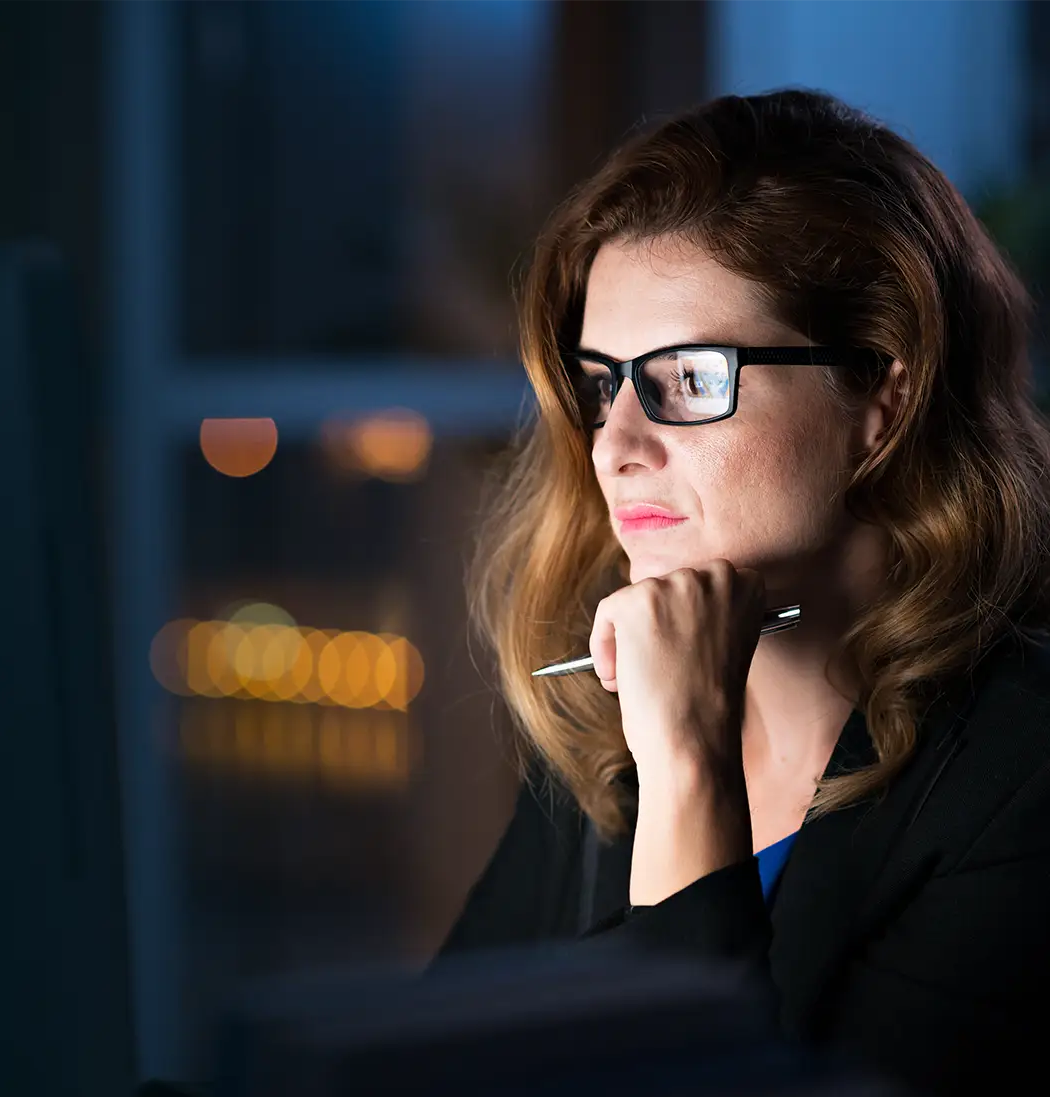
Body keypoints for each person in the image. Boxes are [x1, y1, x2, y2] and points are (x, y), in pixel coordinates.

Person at [440, 88, 1050, 1094]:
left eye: (684, 377)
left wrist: (687, 764)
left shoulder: (1019, 777)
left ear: (879, 399)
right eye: (601, 383)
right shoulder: (602, 746)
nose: (615, 446)